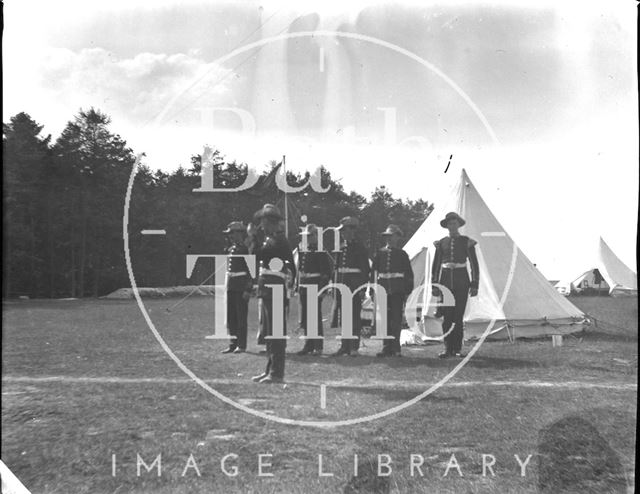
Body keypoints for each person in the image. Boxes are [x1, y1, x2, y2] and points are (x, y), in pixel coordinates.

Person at [251, 204, 296, 383]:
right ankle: (270, 369)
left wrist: (253, 236)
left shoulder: (278, 241)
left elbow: (256, 255)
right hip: (268, 289)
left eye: (263, 222)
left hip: (274, 290)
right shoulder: (272, 240)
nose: (261, 226)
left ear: (271, 223)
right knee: (270, 332)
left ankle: (277, 373)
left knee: (275, 334)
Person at [431, 212, 479, 358]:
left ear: (458, 225)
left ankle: (457, 349)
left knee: (458, 317)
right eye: (450, 224)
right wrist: (434, 285)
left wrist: (474, 284)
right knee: (447, 316)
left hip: (462, 282)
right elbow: (436, 265)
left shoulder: (466, 242)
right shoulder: (441, 243)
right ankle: (447, 348)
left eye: (454, 223)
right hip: (445, 282)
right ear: (447, 226)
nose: (452, 226)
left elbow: (474, 264)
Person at [371, 224, 414, 357]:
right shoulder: (380, 253)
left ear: (397, 238)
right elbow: (373, 273)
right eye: (387, 237)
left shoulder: (402, 254)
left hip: (397, 290)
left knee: (395, 319)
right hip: (383, 289)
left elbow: (408, 274)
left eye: (391, 236)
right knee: (385, 319)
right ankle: (386, 347)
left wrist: (407, 291)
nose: (388, 239)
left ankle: (396, 348)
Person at [333, 216, 370, 357]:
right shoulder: (341, 247)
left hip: (354, 285)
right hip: (342, 284)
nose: (343, 233)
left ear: (352, 230)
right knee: (344, 317)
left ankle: (353, 347)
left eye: (345, 230)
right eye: (341, 231)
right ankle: (345, 346)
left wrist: (361, 288)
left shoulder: (360, 247)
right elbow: (336, 269)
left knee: (354, 317)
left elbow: (365, 270)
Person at [296, 223, 332, 356]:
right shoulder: (303, 250)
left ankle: (318, 346)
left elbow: (326, 273)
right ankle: (308, 345)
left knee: (315, 318)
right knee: (306, 317)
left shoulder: (320, 250)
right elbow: (301, 270)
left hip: (315, 287)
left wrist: (322, 291)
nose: (307, 238)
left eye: (310, 236)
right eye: (306, 236)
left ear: (316, 236)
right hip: (304, 287)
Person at [221, 221, 253, 354]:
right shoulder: (232, 249)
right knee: (231, 317)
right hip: (232, 286)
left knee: (241, 317)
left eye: (232, 233)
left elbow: (251, 271)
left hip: (241, 287)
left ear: (239, 233)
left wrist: (248, 289)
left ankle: (242, 345)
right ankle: (233, 343)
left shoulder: (245, 249)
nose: (230, 236)